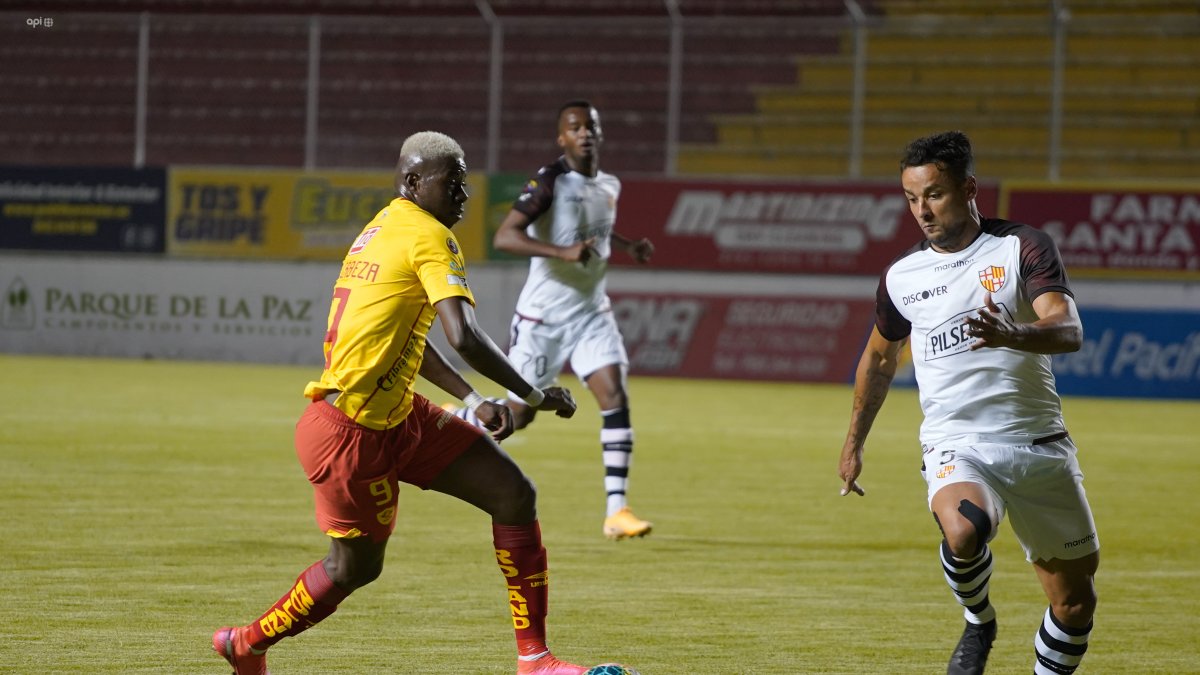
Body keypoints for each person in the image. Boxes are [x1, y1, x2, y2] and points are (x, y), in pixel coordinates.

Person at [211, 131, 591, 675]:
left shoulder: (384, 226)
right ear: (413, 182)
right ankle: (246, 643)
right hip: (349, 432)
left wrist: (471, 397)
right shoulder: (428, 236)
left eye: (465, 183)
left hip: (397, 415)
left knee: (512, 494)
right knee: (354, 569)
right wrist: (531, 394)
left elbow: (407, 335)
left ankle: (535, 659)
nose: (463, 195)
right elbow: (463, 335)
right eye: (452, 182)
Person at [837, 131, 1099, 675]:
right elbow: (880, 360)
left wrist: (1014, 335)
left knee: (1074, 606)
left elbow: (1068, 329)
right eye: (911, 199)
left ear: (969, 187)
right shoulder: (901, 277)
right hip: (956, 442)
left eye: (933, 194)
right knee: (965, 529)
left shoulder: (1021, 246)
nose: (921, 211)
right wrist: (853, 444)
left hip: (1038, 442)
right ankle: (979, 619)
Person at [446, 100, 655, 541]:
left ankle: (617, 511)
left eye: (591, 126)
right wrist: (562, 253)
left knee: (614, 394)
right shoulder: (550, 180)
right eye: (575, 127)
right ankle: (455, 416)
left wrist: (627, 245)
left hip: (591, 311)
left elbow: (592, 229)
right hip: (542, 319)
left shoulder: (609, 184)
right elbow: (506, 235)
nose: (585, 133)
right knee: (518, 416)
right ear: (562, 137)